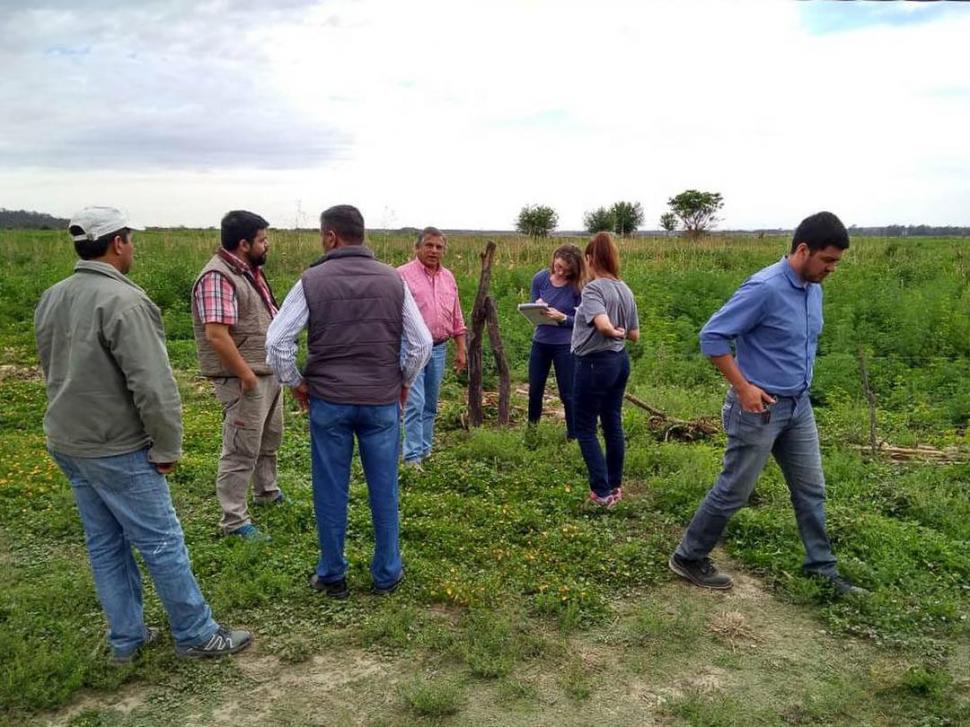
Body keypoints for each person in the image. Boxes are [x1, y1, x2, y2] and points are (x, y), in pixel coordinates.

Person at [35, 206, 251, 663]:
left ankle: (126, 640)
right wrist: (167, 446)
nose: (133, 246)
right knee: (161, 542)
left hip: (69, 442)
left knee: (105, 543)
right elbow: (153, 386)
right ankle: (195, 633)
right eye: (130, 238)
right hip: (116, 445)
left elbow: (49, 366)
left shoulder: (53, 295)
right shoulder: (125, 302)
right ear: (117, 242)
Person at [669, 211, 867, 596]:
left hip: (798, 407)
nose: (832, 269)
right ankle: (688, 557)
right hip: (758, 409)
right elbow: (712, 337)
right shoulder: (765, 288)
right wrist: (743, 388)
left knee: (811, 489)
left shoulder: (814, 289)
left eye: (836, 262)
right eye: (827, 260)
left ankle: (821, 569)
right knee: (734, 491)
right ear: (803, 250)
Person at [266, 205, 432, 598]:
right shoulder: (393, 280)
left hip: (330, 402)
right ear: (362, 234)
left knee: (330, 488)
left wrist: (296, 382)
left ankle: (332, 574)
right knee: (384, 487)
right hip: (380, 401)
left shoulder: (311, 280)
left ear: (330, 237)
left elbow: (276, 341)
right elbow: (422, 342)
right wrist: (403, 380)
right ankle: (387, 574)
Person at [191, 210, 282, 541]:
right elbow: (217, 334)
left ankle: (267, 492)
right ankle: (233, 520)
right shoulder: (218, 276)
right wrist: (245, 377)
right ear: (244, 243)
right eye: (262, 239)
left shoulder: (247, 271)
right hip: (246, 378)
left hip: (265, 371)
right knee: (241, 447)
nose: (266, 244)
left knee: (269, 439)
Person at [571, 232, 640, 508]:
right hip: (619, 361)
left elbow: (601, 324)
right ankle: (615, 485)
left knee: (584, 426)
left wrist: (610, 330)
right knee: (612, 422)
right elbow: (635, 334)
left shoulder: (593, 289)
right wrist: (619, 333)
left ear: (589, 258)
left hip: (594, 363)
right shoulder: (624, 288)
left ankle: (600, 492)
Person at [396, 227, 467, 467]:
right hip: (411, 347)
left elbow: (456, 314)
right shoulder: (402, 275)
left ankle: (425, 450)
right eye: (429, 245)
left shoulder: (448, 277)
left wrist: (461, 347)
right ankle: (412, 456)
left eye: (439, 247)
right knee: (414, 402)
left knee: (430, 403)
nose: (434, 251)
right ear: (417, 248)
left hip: (438, 348)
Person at [527, 244, 585, 438]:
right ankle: (532, 432)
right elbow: (532, 302)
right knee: (535, 390)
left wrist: (562, 318)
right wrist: (537, 307)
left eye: (565, 270)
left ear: (574, 270)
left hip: (564, 345)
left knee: (567, 393)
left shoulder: (577, 287)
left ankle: (574, 435)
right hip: (540, 342)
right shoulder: (540, 278)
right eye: (557, 266)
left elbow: (583, 320)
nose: (559, 272)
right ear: (554, 259)